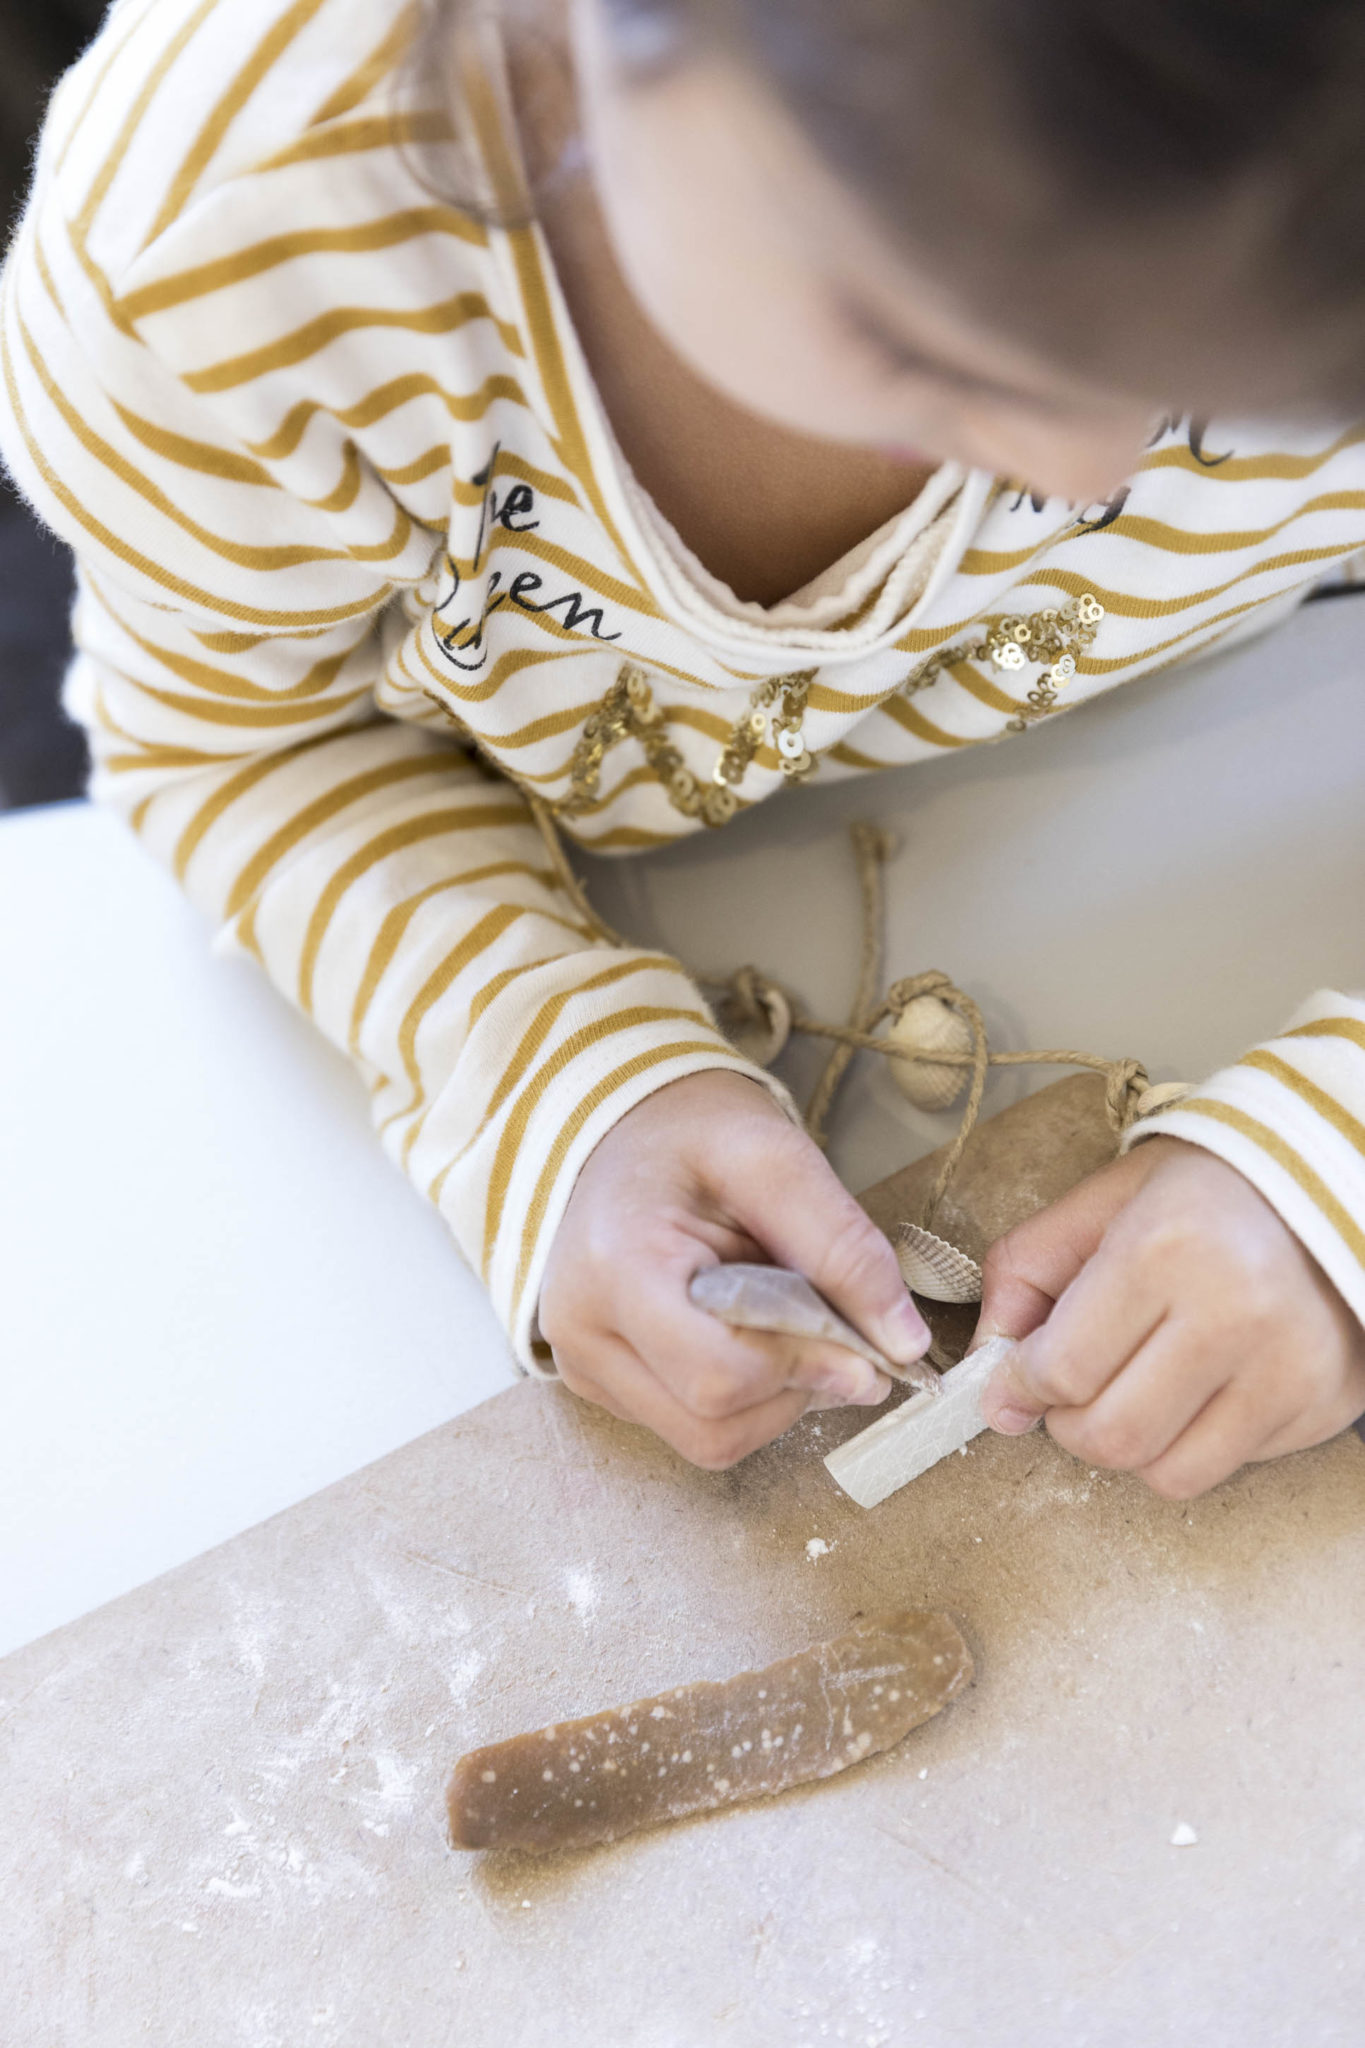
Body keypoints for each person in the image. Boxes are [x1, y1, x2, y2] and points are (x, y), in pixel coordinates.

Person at [3, 0, 1364, 1498]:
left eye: (1257, 382)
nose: (1081, 470)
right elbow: (238, 738)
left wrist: (1335, 1184)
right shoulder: (221, 262)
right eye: (916, 340)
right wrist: (548, 1069)